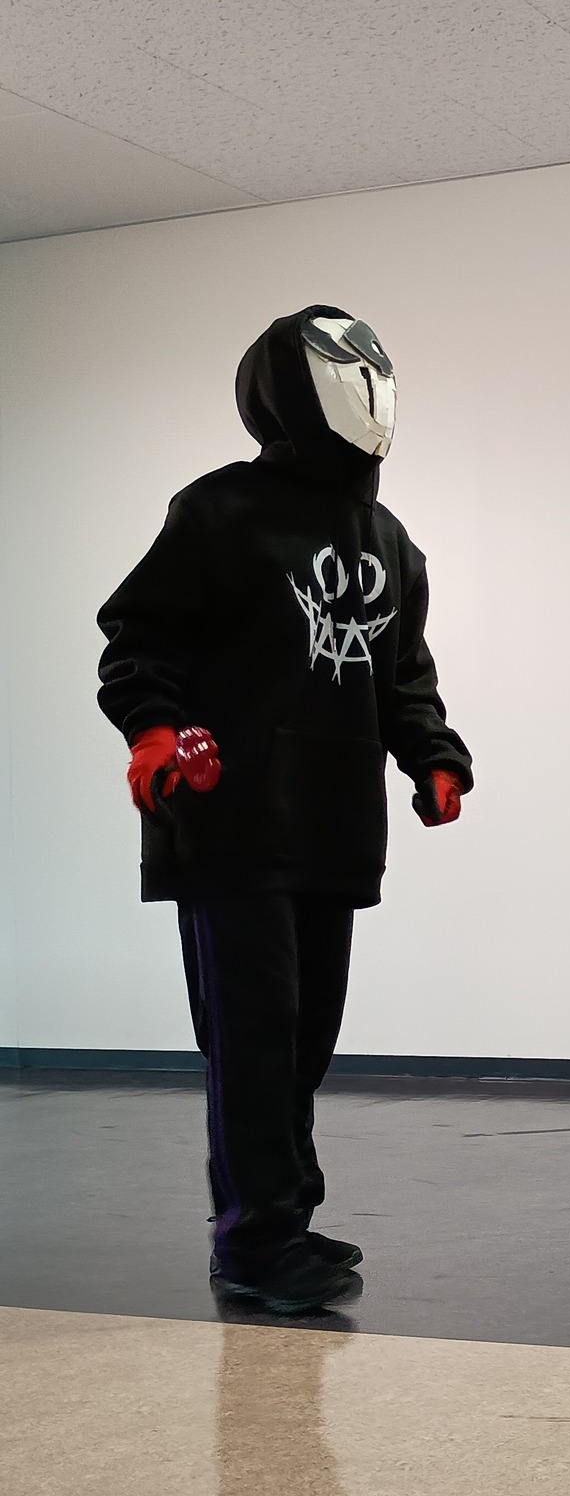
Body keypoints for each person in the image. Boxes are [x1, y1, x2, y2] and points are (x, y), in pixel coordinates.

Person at [96, 305, 473, 1314]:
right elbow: (139, 634)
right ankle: (254, 1242)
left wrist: (434, 757)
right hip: (229, 821)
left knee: (304, 1041)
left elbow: (405, 677)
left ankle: (285, 1216)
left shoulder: (391, 543)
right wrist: (151, 729)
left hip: (332, 824)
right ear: (291, 392)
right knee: (253, 1041)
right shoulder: (221, 512)